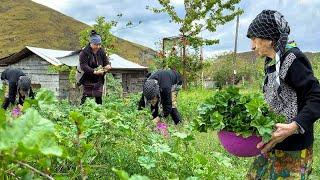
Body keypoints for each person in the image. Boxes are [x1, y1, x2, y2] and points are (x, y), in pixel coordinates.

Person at [246, 10, 320, 179]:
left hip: (293, 150)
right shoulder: (272, 62)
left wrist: (294, 126)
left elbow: (316, 97)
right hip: (273, 143)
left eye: (254, 39)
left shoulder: (292, 59)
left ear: (269, 39)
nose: (252, 46)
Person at [79, 30, 111, 104]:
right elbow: (83, 66)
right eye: (96, 44)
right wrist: (94, 71)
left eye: (99, 44)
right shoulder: (84, 53)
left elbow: (106, 61)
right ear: (91, 43)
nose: (98, 46)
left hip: (98, 78)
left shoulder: (101, 51)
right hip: (87, 77)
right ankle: (82, 111)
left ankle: (99, 112)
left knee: (98, 96)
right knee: (85, 97)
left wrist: (107, 65)